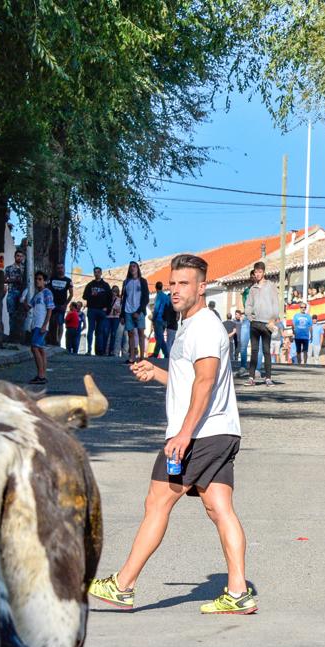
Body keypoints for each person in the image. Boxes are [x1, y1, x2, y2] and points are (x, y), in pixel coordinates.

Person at [90, 253, 255, 615]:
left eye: (184, 283)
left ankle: (123, 585)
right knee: (219, 507)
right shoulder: (188, 326)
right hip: (216, 432)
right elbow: (189, 380)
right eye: (173, 283)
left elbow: (207, 382)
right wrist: (158, 374)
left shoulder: (205, 327)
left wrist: (183, 434)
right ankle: (239, 591)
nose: (176, 290)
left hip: (199, 437)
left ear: (202, 286)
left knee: (158, 500)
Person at [245, 261, 280, 386]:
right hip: (254, 323)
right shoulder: (252, 289)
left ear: (264, 272)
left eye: (260, 272)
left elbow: (275, 303)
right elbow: (248, 304)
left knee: (266, 351)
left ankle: (268, 378)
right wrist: (249, 317)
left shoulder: (271, 286)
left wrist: (273, 318)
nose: (258, 274)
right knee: (254, 351)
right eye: (256, 272)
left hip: (267, 323)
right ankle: (251, 378)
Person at [26, 271, 52, 384]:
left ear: (44, 281)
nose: (38, 281)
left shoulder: (47, 293)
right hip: (35, 323)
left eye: (40, 279)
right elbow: (29, 306)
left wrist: (45, 325)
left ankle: (41, 375)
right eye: (36, 279)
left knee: (34, 347)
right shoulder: (37, 295)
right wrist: (22, 300)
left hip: (41, 324)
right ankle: (42, 374)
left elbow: (50, 309)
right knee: (40, 349)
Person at [121, 260, 149, 361]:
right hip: (128, 310)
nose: (132, 268)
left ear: (137, 268)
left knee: (141, 333)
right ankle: (132, 357)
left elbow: (146, 298)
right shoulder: (125, 282)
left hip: (139, 310)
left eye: (134, 266)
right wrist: (122, 315)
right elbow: (123, 298)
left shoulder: (143, 281)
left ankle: (142, 357)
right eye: (130, 266)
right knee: (130, 334)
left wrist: (139, 311)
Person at [82, 266, 113, 354]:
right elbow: (84, 296)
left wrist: (107, 309)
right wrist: (91, 294)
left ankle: (99, 351)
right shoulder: (90, 285)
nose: (97, 273)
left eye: (98, 272)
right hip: (92, 310)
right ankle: (88, 350)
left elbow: (110, 298)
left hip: (101, 311)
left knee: (99, 331)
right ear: (94, 273)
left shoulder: (105, 285)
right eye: (95, 272)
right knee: (90, 330)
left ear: (101, 273)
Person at [4, 248, 27, 340]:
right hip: (12, 292)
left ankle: (21, 335)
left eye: (21, 256)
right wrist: (13, 280)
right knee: (12, 314)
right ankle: (12, 334)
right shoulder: (9, 268)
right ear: (14, 256)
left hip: (23, 294)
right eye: (18, 256)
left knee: (22, 314)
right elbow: (4, 279)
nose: (19, 258)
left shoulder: (25, 269)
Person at [48, 263, 72, 347]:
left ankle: (58, 340)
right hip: (52, 304)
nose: (60, 269)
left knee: (60, 322)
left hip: (61, 305)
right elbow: (47, 290)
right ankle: (51, 339)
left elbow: (71, 294)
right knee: (51, 322)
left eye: (61, 268)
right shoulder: (52, 279)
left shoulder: (68, 280)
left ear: (64, 269)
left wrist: (65, 304)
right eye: (58, 268)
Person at [151, 281, 172, 358]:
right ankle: (166, 354)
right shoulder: (166, 297)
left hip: (158, 319)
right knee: (161, 337)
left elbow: (156, 308)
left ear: (156, 288)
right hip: (165, 320)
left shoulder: (158, 296)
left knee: (159, 337)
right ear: (162, 287)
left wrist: (153, 318)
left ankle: (155, 354)